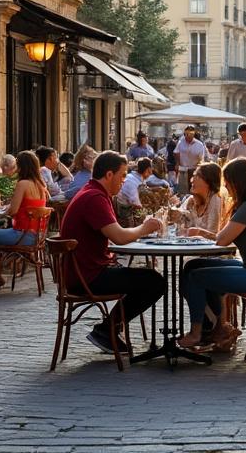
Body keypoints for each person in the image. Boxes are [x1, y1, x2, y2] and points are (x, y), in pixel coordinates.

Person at [57, 151, 166, 354]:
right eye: (122, 175)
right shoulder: (94, 197)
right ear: (109, 175)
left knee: (146, 278)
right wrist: (145, 228)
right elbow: (119, 237)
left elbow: (116, 235)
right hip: (87, 277)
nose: (124, 181)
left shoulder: (94, 193)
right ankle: (107, 329)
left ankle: (110, 328)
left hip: (84, 271)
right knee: (154, 282)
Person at [177, 157, 246, 352]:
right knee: (193, 266)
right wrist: (202, 233)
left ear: (238, 182)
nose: (225, 184)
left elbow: (222, 241)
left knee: (195, 277)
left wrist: (201, 233)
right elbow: (224, 238)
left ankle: (199, 332)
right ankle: (219, 327)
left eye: (227, 180)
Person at [0, 150, 50, 293]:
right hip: (38, 236)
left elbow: (13, 211)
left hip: (21, 235)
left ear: (22, 166)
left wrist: (0, 211)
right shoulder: (41, 186)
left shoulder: (23, 184)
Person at [169, 161, 224, 234]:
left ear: (208, 182)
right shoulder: (191, 200)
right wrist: (174, 213)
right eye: (193, 175)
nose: (192, 180)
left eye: (197, 176)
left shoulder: (215, 200)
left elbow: (213, 233)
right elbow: (178, 229)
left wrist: (195, 232)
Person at [114, 157, 149, 226]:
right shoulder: (132, 181)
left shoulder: (136, 178)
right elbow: (136, 204)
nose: (123, 181)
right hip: (124, 216)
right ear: (148, 170)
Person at [173, 126, 209, 193]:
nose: (188, 137)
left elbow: (201, 159)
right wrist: (177, 163)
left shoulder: (199, 144)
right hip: (183, 170)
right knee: (183, 191)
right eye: (186, 135)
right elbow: (176, 152)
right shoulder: (181, 142)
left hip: (193, 169)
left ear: (193, 134)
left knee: (193, 190)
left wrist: (198, 170)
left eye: (190, 135)